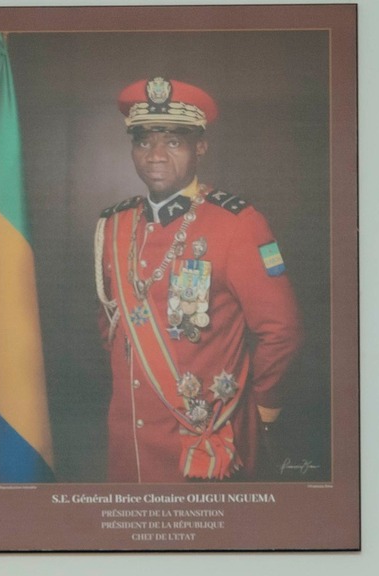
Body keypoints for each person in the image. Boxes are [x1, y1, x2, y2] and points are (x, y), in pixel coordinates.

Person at [95, 77, 303, 483]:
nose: (154, 155)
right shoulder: (114, 225)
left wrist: (260, 410)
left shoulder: (237, 224)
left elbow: (282, 331)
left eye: (173, 142)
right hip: (128, 437)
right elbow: (110, 325)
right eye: (143, 141)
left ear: (200, 147)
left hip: (202, 437)